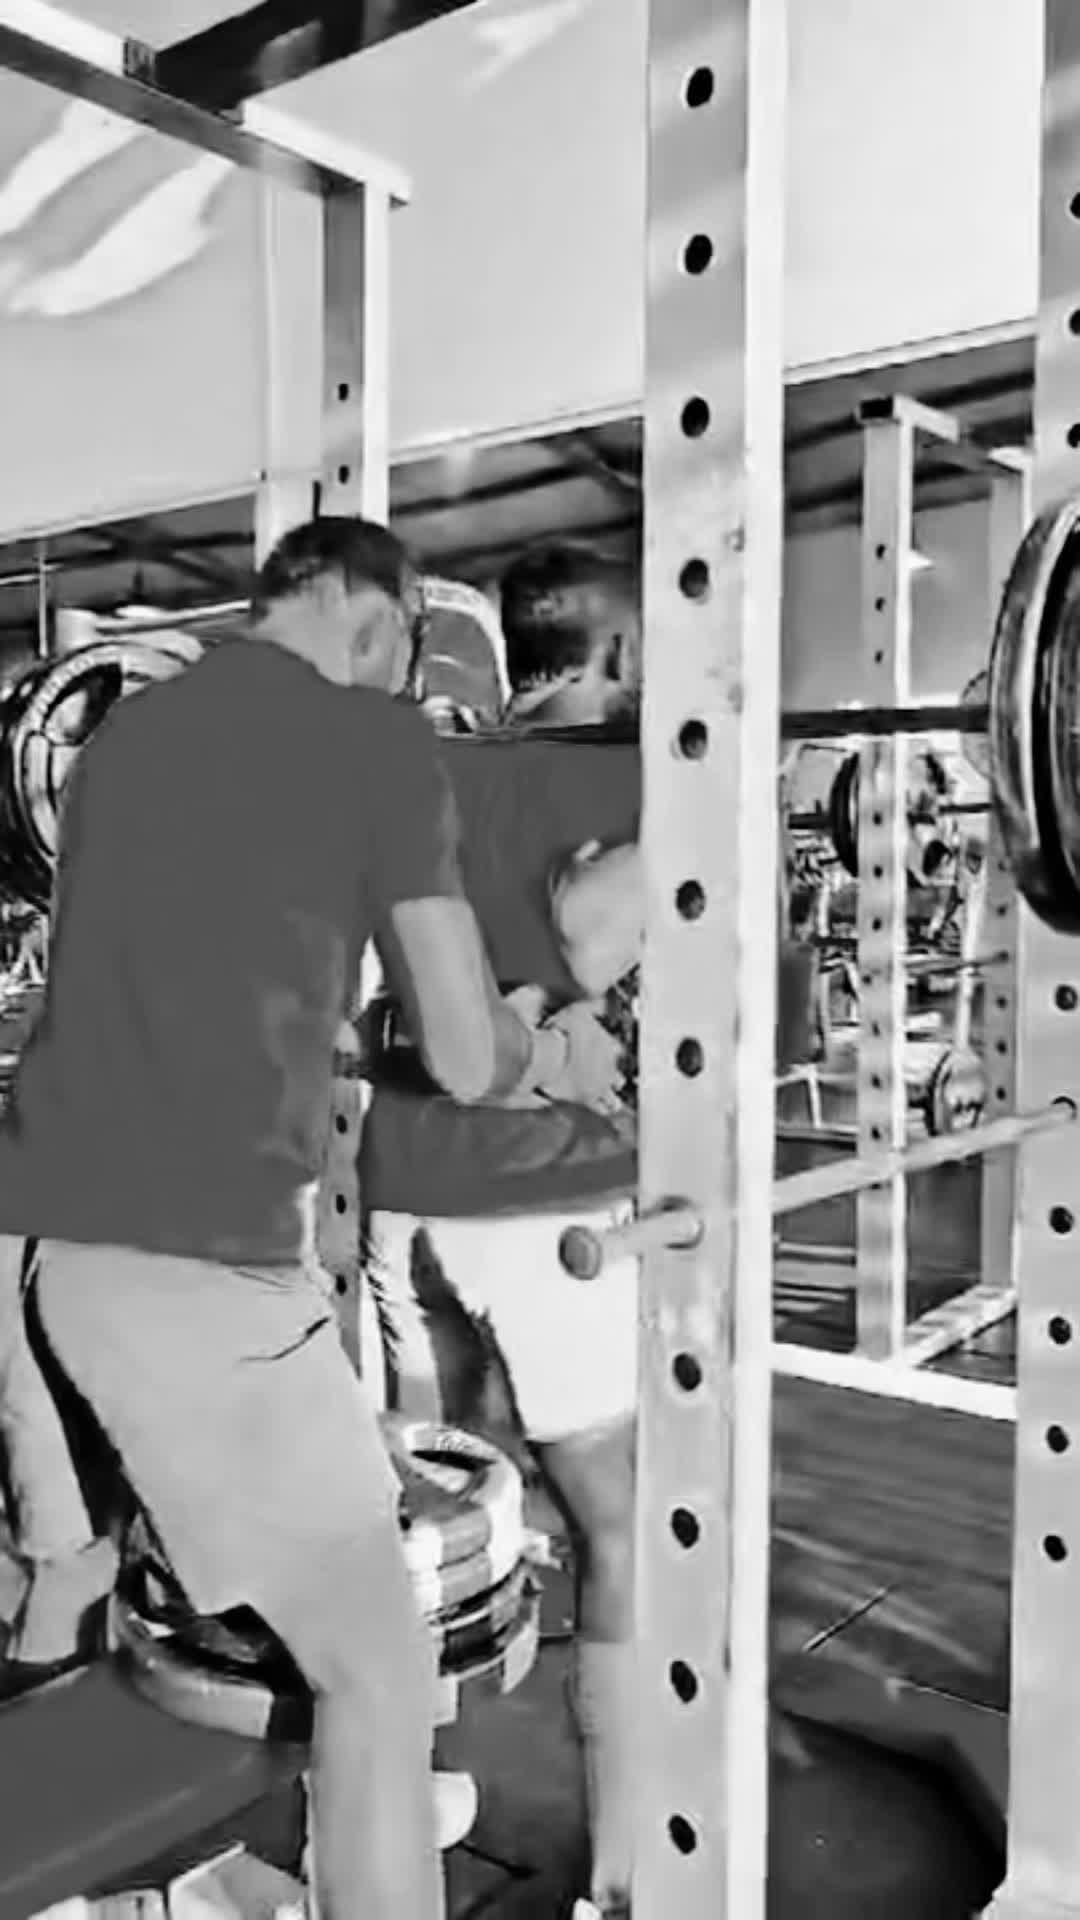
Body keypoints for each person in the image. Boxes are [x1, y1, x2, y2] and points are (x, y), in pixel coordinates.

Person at [0, 517, 623, 1920]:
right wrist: (553, 1051)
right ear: (379, 622)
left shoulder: (123, 738)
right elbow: (464, 1053)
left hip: (27, 1238)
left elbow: (211, 970)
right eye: (407, 666)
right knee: (379, 1670)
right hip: (186, 1265)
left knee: (75, 1577)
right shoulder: (373, 739)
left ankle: (125, 1889)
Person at [362, 541, 643, 1920]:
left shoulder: (413, 777)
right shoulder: (649, 782)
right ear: (620, 657)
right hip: (549, 1210)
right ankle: (636, 1874)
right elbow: (703, 1004)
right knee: (625, 1528)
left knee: (420, 1516)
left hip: (401, 1203)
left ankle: (388, 1815)